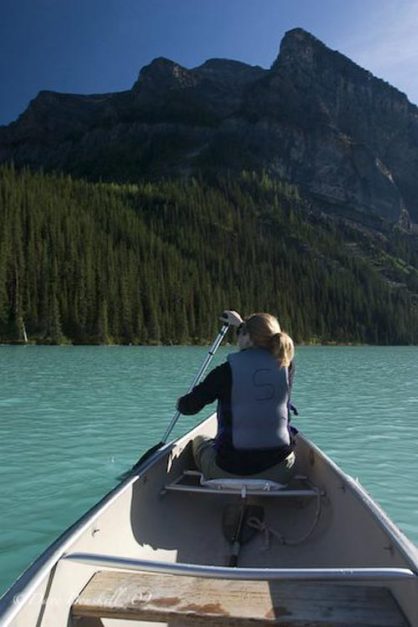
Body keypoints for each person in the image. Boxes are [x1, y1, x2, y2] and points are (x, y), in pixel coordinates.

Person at [177, 310, 296, 483]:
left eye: (240, 333)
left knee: (199, 441)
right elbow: (259, 338)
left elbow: (189, 407)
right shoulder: (287, 367)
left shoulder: (225, 371)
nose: (237, 338)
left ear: (247, 337)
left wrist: (180, 402)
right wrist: (241, 325)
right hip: (280, 470)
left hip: (229, 470)